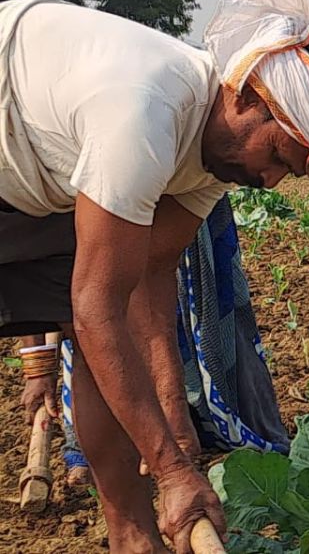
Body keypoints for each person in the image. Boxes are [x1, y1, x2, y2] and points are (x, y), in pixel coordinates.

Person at [0, 0, 309, 553]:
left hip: (33, 176)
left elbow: (149, 276)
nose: (269, 181)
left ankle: (132, 538)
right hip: (12, 133)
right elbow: (97, 309)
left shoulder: (215, 159)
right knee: (94, 316)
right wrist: (170, 472)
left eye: (286, 172)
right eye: (274, 155)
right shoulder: (144, 111)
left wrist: (174, 424)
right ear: (244, 97)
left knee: (101, 346)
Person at [20, 193, 291, 490]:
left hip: (178, 199)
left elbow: (155, 273)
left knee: (173, 310)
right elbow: (31, 251)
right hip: (90, 203)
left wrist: (171, 407)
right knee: (95, 313)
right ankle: (98, 448)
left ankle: (189, 422)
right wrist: (37, 366)